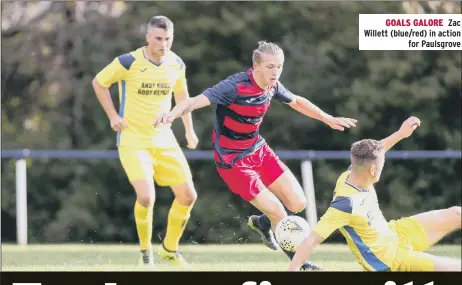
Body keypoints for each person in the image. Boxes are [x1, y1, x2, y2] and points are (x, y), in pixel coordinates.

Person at [154, 41, 358, 270]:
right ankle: (301, 264)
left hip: (257, 150)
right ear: (256, 66)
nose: (275, 72)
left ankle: (262, 222)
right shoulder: (234, 86)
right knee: (280, 212)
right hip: (232, 161)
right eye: (270, 67)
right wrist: (171, 114)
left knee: (298, 203)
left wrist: (327, 118)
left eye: (279, 66)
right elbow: (194, 102)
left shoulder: (273, 86)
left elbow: (297, 101)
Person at [92, 15, 199, 270]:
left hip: (164, 138)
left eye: (168, 39)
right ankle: (145, 252)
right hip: (133, 140)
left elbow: (182, 95)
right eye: (159, 39)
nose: (163, 44)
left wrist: (189, 130)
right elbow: (99, 82)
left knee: (188, 195)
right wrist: (113, 116)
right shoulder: (128, 61)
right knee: (146, 196)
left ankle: (170, 250)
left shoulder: (176, 63)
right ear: (148, 37)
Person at [288, 116, 462, 272]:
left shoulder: (352, 171)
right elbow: (311, 241)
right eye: (382, 165)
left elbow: (378, 150)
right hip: (389, 261)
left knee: (457, 213)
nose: (382, 167)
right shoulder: (345, 205)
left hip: (396, 233)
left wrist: (401, 134)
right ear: (372, 170)